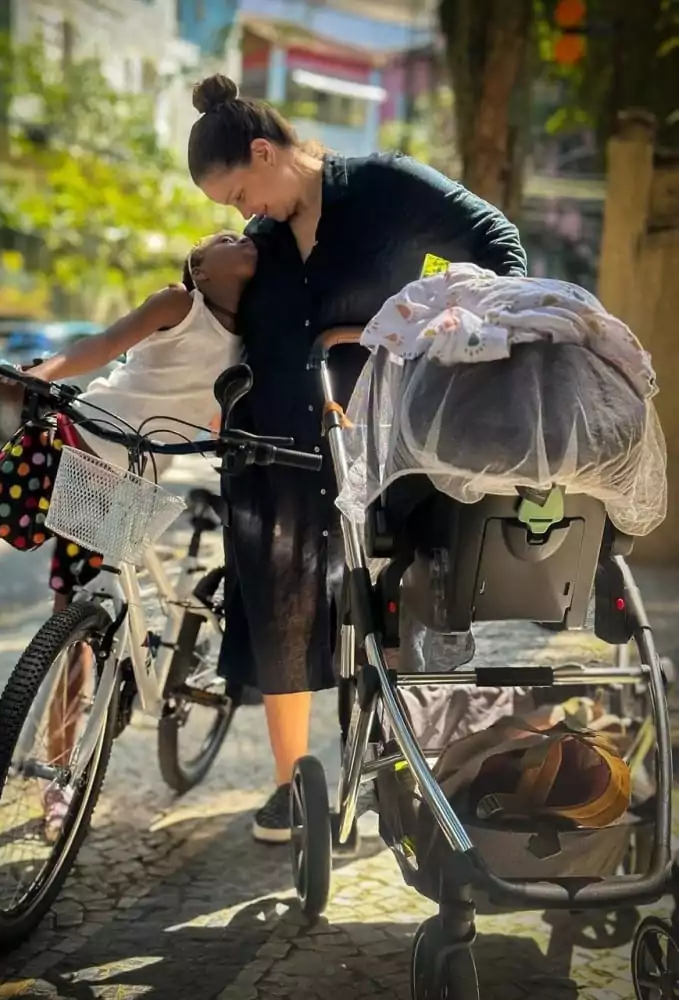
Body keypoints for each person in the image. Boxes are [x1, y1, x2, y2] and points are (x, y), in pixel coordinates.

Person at [186, 74, 528, 844]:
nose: (245, 212)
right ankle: (289, 788)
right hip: (274, 444)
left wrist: (456, 329)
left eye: (241, 191)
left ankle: (393, 762)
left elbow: (497, 242)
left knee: (387, 601)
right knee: (280, 608)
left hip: (383, 435)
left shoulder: (383, 185)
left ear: (266, 152)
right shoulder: (263, 244)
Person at [0, 230, 257, 837]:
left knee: (76, 626)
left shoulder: (253, 343)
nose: (241, 237)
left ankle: (54, 777)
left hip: (128, 486)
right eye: (224, 236)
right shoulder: (178, 304)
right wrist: (45, 371)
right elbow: (104, 343)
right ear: (199, 267)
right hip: (67, 443)